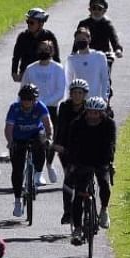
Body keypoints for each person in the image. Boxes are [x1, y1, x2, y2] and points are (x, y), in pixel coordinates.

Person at [63, 96, 116, 243]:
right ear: (86, 112)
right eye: (90, 112)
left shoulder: (109, 124)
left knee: (104, 184)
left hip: (101, 159)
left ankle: (104, 210)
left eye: (96, 113)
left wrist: (108, 162)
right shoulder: (77, 124)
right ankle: (78, 229)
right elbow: (71, 146)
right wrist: (73, 164)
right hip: (82, 160)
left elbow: (111, 145)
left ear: (102, 113)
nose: (93, 116)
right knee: (79, 194)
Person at [4, 84, 52, 217]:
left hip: (35, 134)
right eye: (24, 99)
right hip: (18, 138)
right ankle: (18, 200)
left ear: (35, 99)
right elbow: (8, 128)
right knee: (18, 170)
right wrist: (10, 142)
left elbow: (48, 124)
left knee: (41, 143)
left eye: (30, 99)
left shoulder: (40, 106)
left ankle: (38, 173)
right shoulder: (14, 108)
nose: (27, 102)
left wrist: (49, 137)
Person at [20, 40, 66, 182]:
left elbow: (60, 91)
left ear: (52, 51)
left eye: (47, 49)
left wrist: (43, 104)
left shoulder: (58, 68)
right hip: (31, 110)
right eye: (41, 48)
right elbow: (22, 88)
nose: (43, 51)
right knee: (35, 140)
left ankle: (49, 164)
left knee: (50, 139)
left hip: (51, 109)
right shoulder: (31, 69)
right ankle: (37, 171)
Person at [52, 79, 90, 225]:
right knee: (69, 177)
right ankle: (68, 211)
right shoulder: (64, 107)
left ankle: (88, 206)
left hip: (86, 147)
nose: (77, 96)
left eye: (80, 93)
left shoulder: (89, 107)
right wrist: (57, 144)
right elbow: (60, 127)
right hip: (67, 148)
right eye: (74, 92)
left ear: (85, 94)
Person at [11, 8, 60, 81]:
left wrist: (58, 73)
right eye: (27, 22)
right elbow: (16, 57)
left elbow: (56, 57)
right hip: (27, 74)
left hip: (45, 74)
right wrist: (14, 73)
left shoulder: (49, 36)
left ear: (41, 24)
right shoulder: (22, 36)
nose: (29, 25)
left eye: (32, 22)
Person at [65, 28, 111, 102]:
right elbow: (68, 81)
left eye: (83, 39)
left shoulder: (99, 56)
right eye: (78, 39)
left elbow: (105, 79)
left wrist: (104, 97)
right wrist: (67, 99)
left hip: (96, 100)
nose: (80, 41)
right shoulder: (71, 59)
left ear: (89, 39)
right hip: (78, 101)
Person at [76, 1, 123, 65]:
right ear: (90, 10)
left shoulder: (107, 24)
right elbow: (77, 39)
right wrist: (74, 53)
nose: (96, 11)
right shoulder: (83, 23)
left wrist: (117, 49)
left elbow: (114, 38)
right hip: (87, 55)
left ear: (104, 11)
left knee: (106, 70)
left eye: (99, 9)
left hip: (104, 55)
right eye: (94, 8)